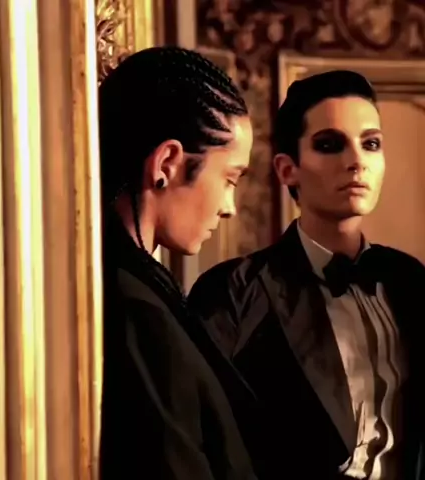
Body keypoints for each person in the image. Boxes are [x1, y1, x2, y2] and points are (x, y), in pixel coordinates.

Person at [188, 70, 425, 480]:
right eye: (330, 144)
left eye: (371, 144)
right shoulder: (234, 293)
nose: (356, 161)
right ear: (287, 170)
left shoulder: (410, 281)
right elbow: (202, 443)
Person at [98, 46, 257, 479]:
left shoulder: (143, 292)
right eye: (229, 179)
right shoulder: (138, 312)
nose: (229, 208)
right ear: (167, 163)